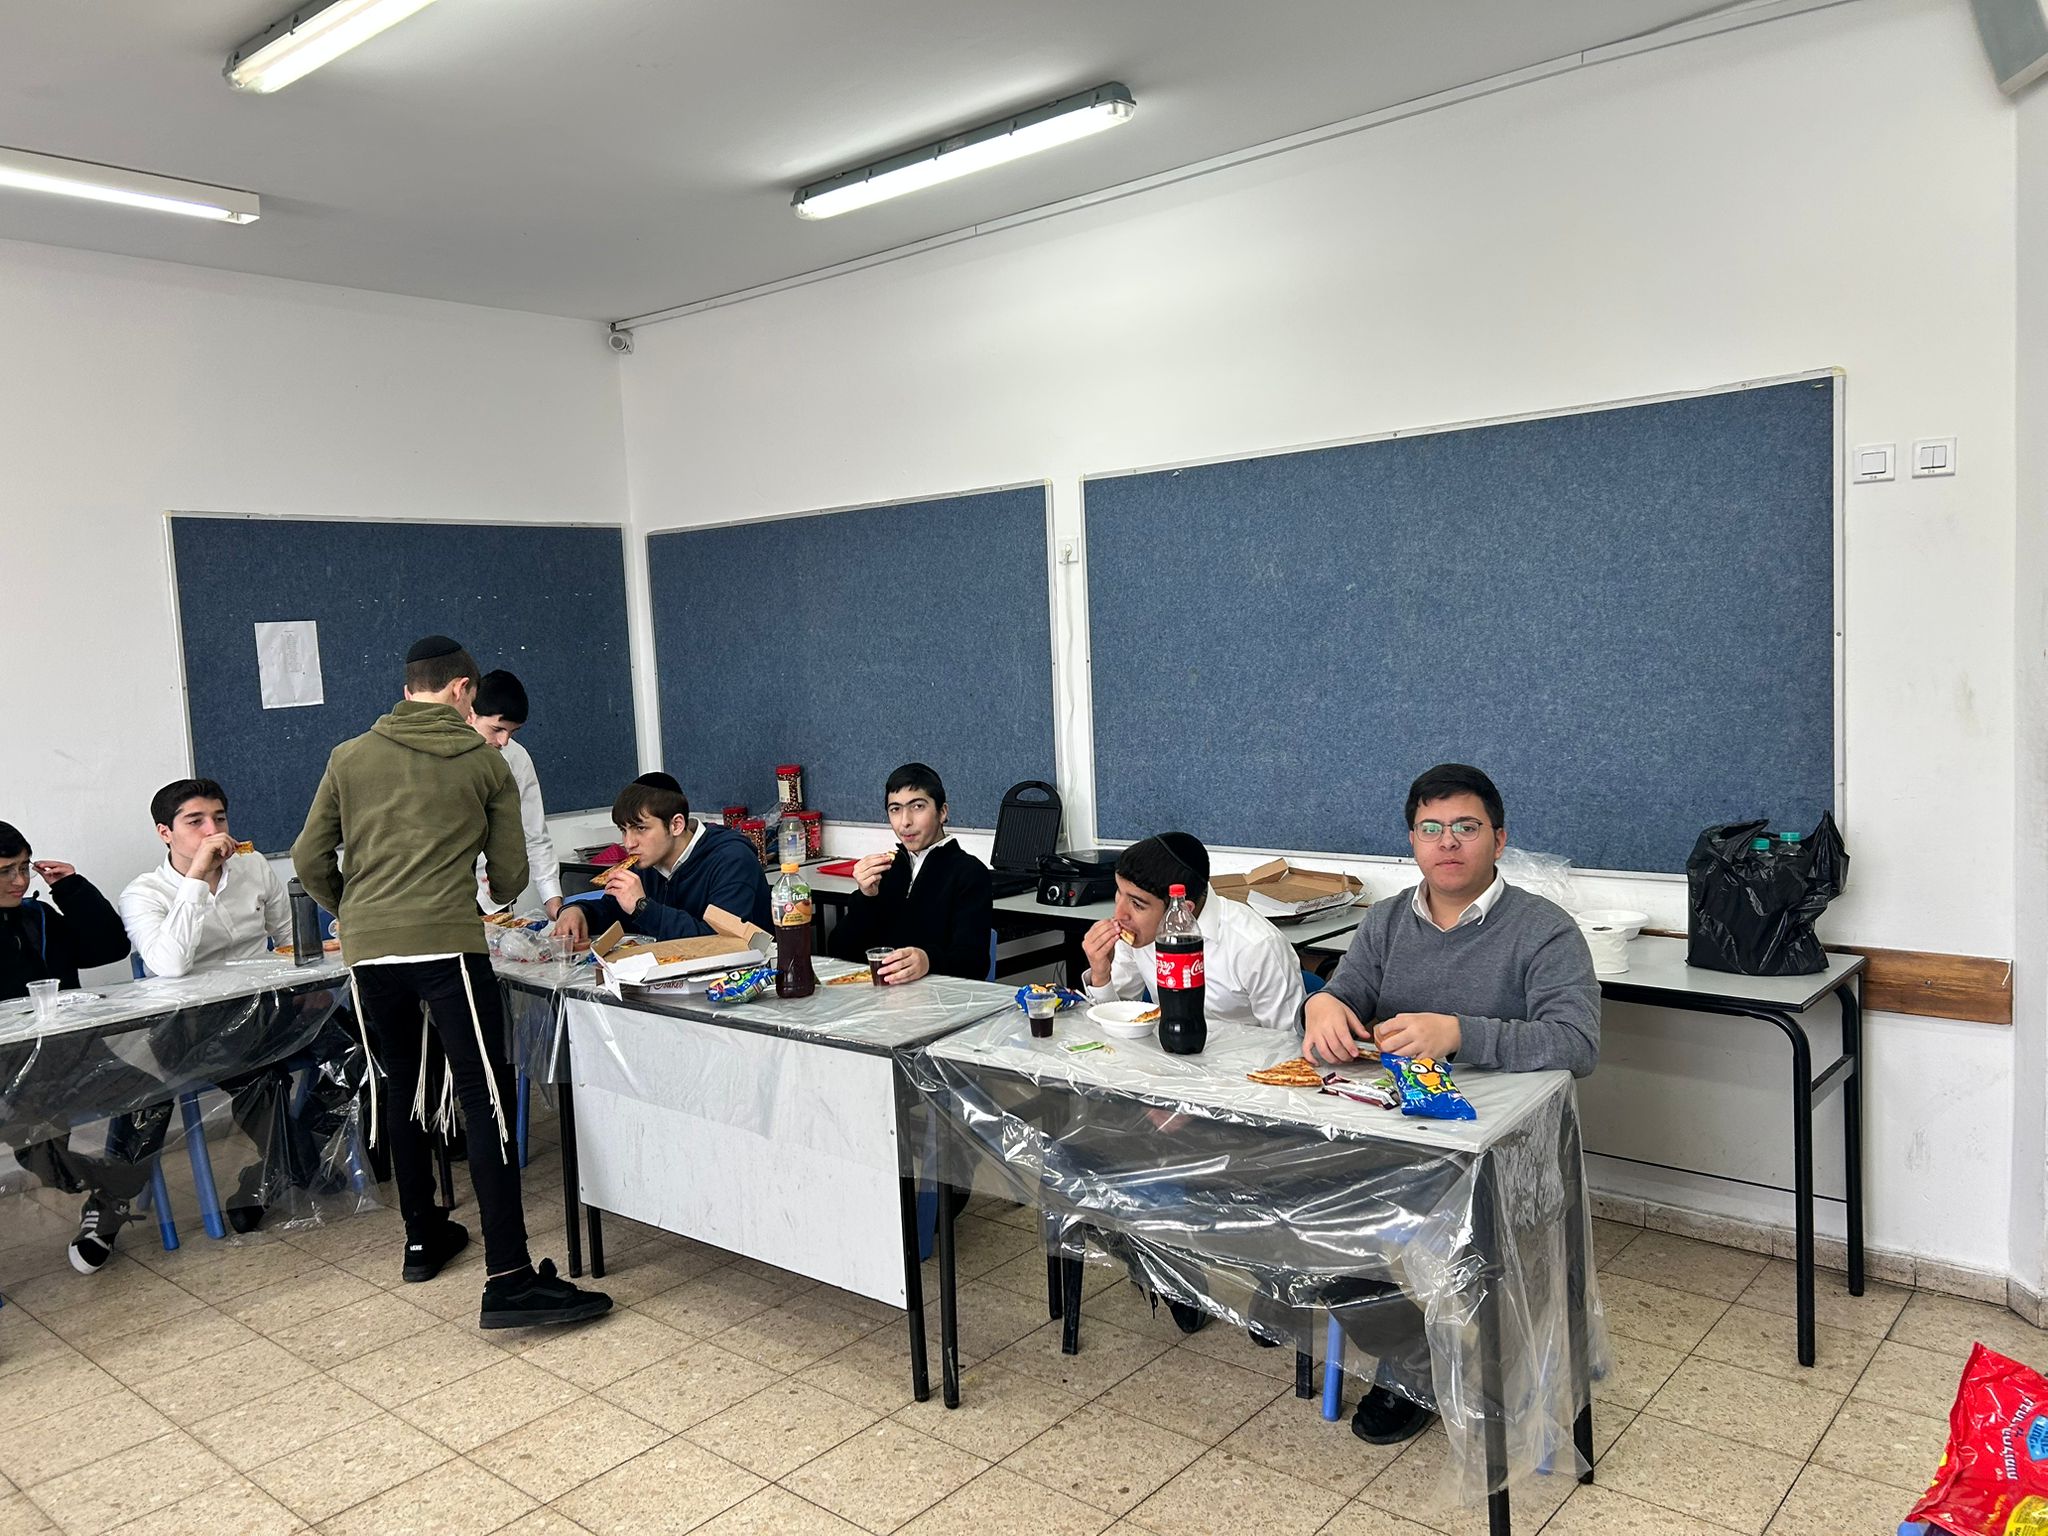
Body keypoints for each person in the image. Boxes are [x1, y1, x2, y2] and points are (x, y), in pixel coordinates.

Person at [293, 634, 609, 1329]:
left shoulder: (348, 755)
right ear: (464, 689)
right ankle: (510, 1278)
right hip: (446, 944)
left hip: (370, 951)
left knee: (401, 1085)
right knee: (483, 1094)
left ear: (409, 688)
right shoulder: (484, 760)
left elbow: (309, 856)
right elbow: (510, 871)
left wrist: (359, 911)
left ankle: (422, 1236)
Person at [1301, 762, 1598, 1446]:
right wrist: (1323, 1004)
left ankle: (1425, 1365)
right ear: (1412, 841)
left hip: (1501, 1153)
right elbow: (1346, 995)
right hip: (1391, 1134)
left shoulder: (1544, 930)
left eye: (1466, 826)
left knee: (1382, 1222)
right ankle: (1415, 1360)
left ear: (1499, 838)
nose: (1448, 842)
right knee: (1308, 1211)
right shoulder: (1386, 921)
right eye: (1430, 829)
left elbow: (1577, 1043)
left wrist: (1460, 1033)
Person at [118, 778, 296, 1235]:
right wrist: (195, 877)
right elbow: (169, 965)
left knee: (362, 1046)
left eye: (219, 818)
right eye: (195, 822)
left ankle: (275, 1169)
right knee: (264, 1077)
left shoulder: (253, 865)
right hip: (195, 1026)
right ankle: (295, 1164)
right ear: (165, 833)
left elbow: (291, 939)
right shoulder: (143, 893)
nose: (213, 831)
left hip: (267, 1007)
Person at [0, 822, 145, 1271]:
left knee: (150, 1095)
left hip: (76, 1053)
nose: (19, 880)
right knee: (33, 1131)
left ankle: (108, 1203)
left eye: (24, 867)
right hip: (9, 1071)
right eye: (5, 871)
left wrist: (72, 889)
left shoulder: (38, 917)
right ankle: (111, 1189)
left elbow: (109, 948)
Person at [1081, 832, 1306, 1032]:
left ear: (1182, 910)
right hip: (1168, 1052)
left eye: (1137, 904)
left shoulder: (1256, 945)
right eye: (1119, 892)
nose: (1119, 914)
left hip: (1244, 1061)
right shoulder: (1136, 932)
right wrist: (1101, 975)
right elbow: (1119, 1019)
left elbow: (1289, 1041)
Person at [552, 777, 771, 946]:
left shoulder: (732, 860)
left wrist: (643, 907)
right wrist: (579, 911)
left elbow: (723, 943)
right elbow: (615, 911)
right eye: (623, 830)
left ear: (676, 825)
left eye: (640, 828)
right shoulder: (646, 861)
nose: (628, 843)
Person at [827, 763, 993, 982]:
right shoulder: (886, 871)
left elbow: (974, 964)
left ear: (942, 812)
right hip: (884, 994)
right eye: (895, 809)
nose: (905, 822)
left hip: (940, 997)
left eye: (917, 806)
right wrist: (866, 898)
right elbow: (839, 951)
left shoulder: (969, 873)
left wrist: (928, 961)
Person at [469, 670, 564, 921]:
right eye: (497, 729)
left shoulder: (517, 757)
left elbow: (534, 834)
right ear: (470, 714)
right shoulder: (443, 757)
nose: (503, 740)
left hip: (496, 899)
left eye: (512, 732)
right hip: (449, 900)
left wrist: (552, 898)